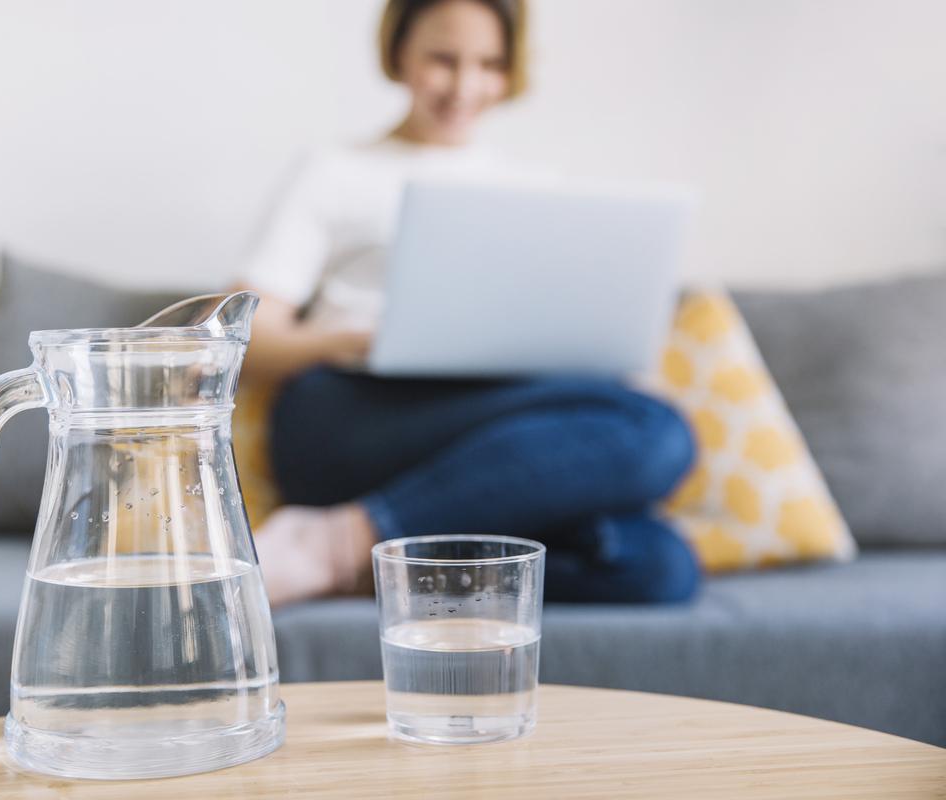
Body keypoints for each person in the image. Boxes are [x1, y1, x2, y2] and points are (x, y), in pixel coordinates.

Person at [234, 0, 700, 607]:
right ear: (399, 52)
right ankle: (338, 540)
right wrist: (355, 338)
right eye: (443, 60)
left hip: (490, 421)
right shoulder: (335, 171)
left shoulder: (533, 191)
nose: (464, 86)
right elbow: (245, 338)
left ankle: (373, 556)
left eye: (489, 64)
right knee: (656, 430)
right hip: (352, 413)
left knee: (660, 565)